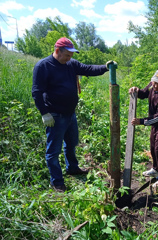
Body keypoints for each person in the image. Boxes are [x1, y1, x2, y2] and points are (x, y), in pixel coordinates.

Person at [32, 37, 115, 192]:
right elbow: (36, 92)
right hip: (55, 116)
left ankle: (72, 168)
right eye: (67, 55)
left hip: (70, 114)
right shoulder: (43, 66)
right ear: (57, 51)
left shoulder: (71, 64)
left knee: (71, 144)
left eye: (71, 55)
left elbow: (88, 69)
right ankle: (57, 181)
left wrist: (105, 67)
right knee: (53, 151)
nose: (70, 58)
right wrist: (45, 113)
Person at [129, 69, 158, 187]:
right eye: (153, 82)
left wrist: (142, 121)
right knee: (153, 147)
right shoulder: (152, 85)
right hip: (154, 123)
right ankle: (155, 169)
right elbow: (144, 93)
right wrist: (136, 91)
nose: (154, 85)